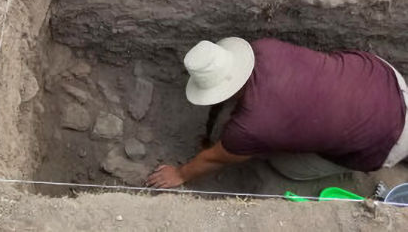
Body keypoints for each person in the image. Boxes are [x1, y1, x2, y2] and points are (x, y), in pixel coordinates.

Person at [146, 37, 408, 188]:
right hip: (385, 78)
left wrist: (180, 174)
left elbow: (216, 158)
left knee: (285, 166)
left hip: (386, 142)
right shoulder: (264, 48)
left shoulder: (249, 129)